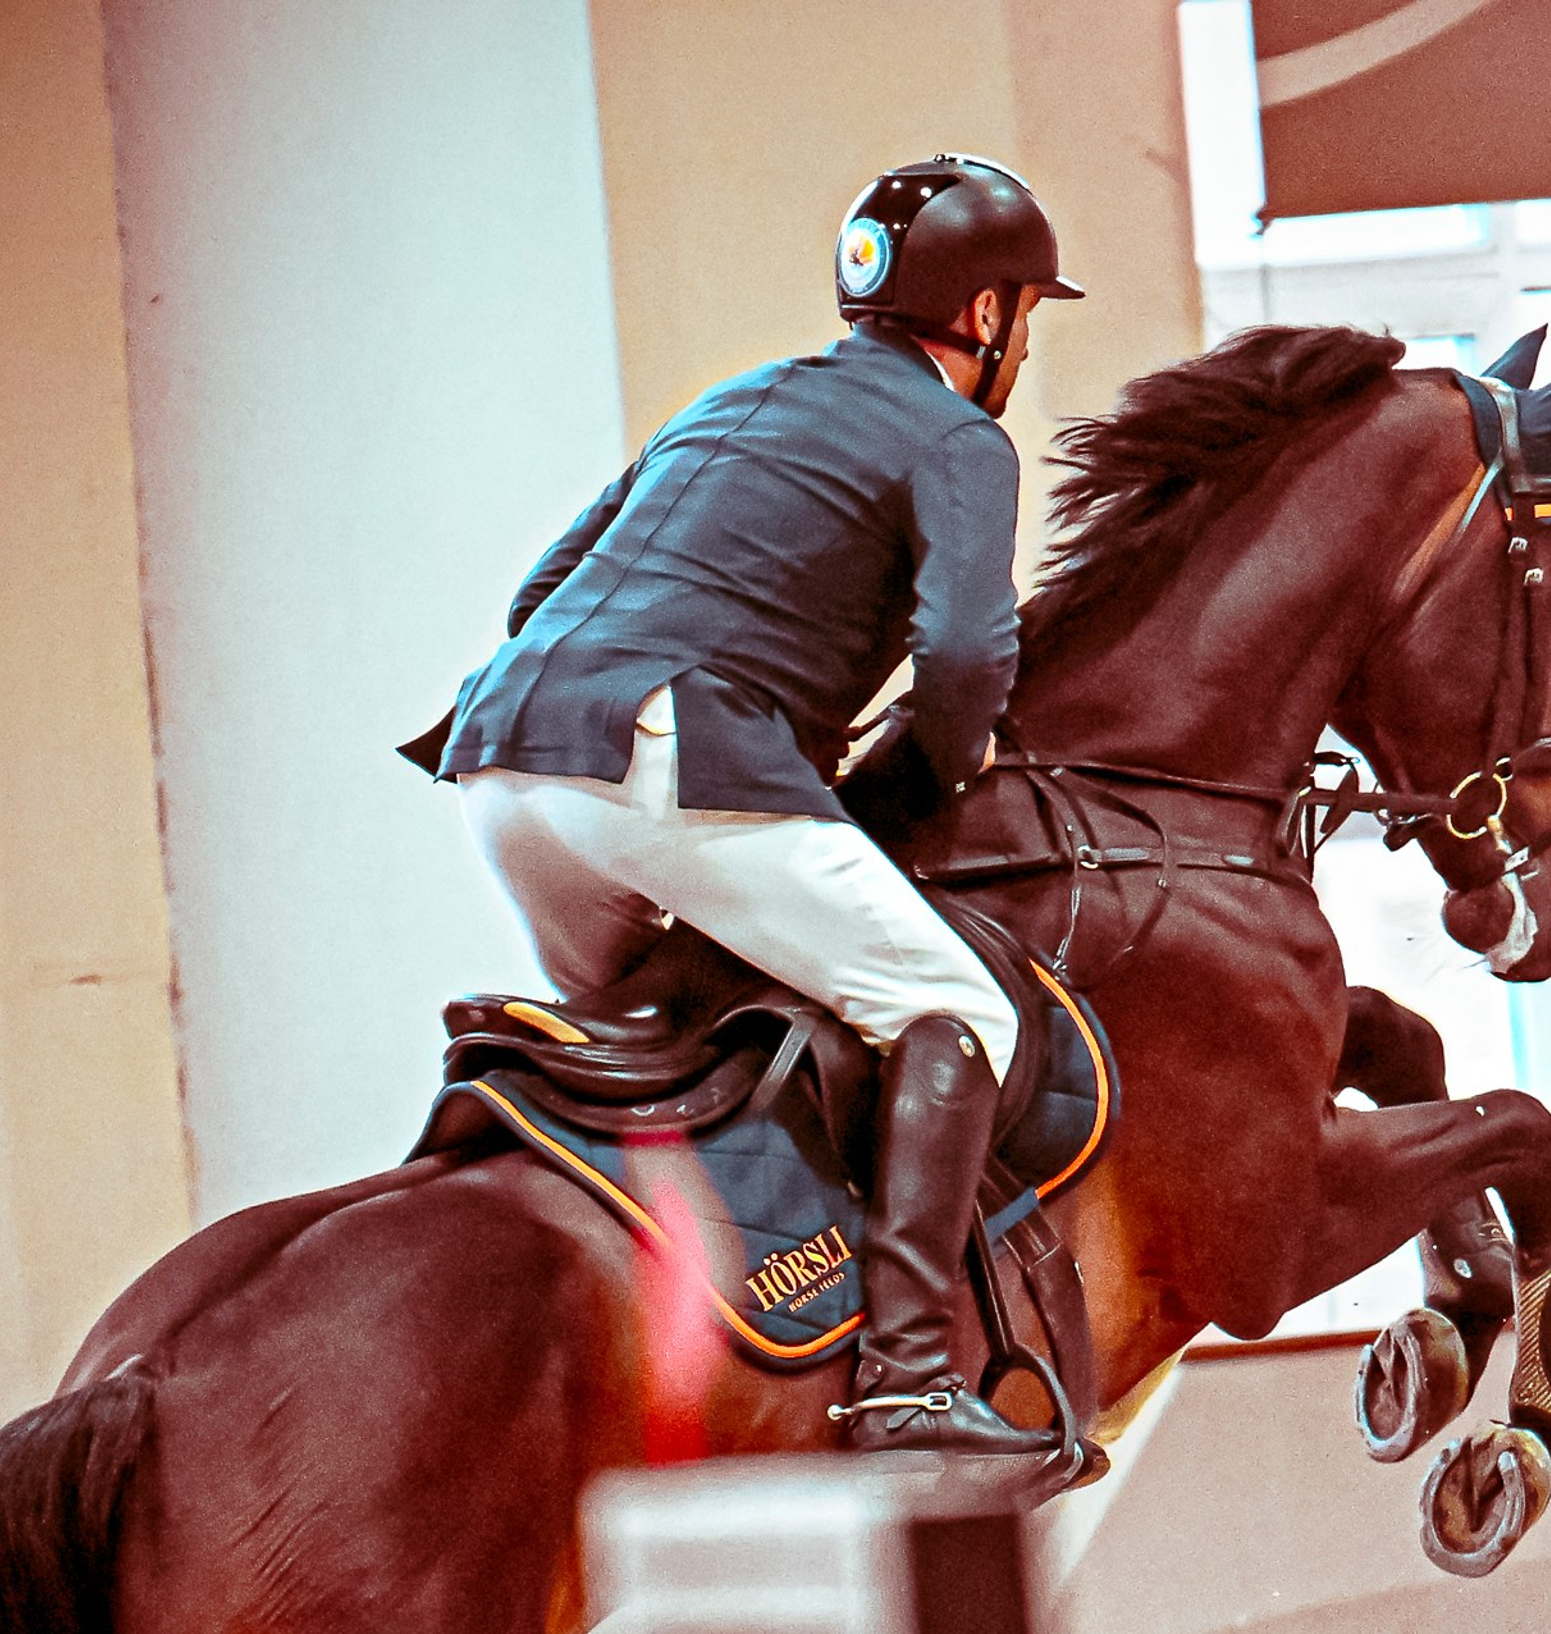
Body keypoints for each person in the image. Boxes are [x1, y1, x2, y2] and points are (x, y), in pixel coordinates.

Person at [407, 156, 1080, 1460]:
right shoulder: (957, 435)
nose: (1023, 346)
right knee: (955, 1009)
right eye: (1026, 318)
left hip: (500, 761)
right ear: (988, 318)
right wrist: (913, 783)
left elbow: (537, 593)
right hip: (664, 763)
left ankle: (712, 1319)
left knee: (678, 1034)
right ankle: (903, 1373)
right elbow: (962, 660)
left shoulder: (733, 398)